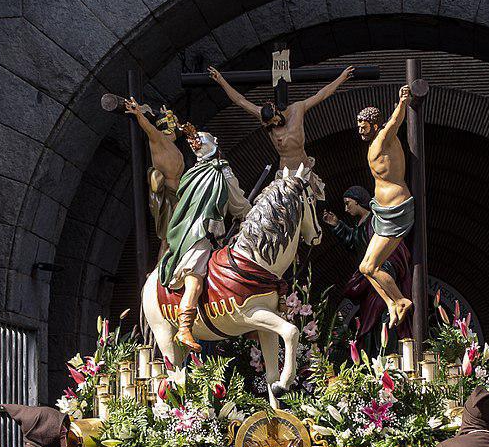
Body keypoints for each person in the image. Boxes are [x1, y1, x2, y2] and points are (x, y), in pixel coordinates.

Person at [159, 127, 251, 352]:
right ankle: (184, 327)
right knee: (195, 276)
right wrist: (253, 214)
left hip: (192, 233)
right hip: (200, 234)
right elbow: (238, 204)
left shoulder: (193, 173)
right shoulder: (221, 171)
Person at [208, 64, 354, 174]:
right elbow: (240, 101)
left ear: (277, 111)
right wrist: (221, 80)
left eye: (276, 120)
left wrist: (341, 78)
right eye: (272, 124)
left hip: (304, 166)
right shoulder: (263, 116)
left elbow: (321, 95)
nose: (276, 124)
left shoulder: (297, 109)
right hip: (285, 171)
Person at [323, 184, 413, 347]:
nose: (346, 208)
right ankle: (376, 353)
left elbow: (390, 247)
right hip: (370, 280)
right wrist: (336, 224)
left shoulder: (375, 221)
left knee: (382, 315)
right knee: (370, 318)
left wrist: (383, 270)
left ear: (358, 201)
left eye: (348, 203)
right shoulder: (362, 223)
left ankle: (387, 351)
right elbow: (355, 243)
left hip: (380, 274)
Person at [357, 88, 415, 326]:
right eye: (358, 125)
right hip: (382, 212)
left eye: (363, 126)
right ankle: (391, 303)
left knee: (372, 266)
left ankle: (401, 300)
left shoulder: (383, 137)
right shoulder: (375, 142)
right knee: (364, 267)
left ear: (374, 125)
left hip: (395, 210)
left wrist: (402, 102)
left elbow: (394, 121)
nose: (360, 130)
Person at [123, 99, 185, 252]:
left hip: (180, 191)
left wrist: (169, 116)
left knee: (183, 232)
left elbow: (182, 130)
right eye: (172, 123)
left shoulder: (170, 141)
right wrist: (138, 114)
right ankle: (161, 266)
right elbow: (148, 127)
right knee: (168, 239)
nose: (176, 126)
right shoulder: (157, 138)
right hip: (168, 194)